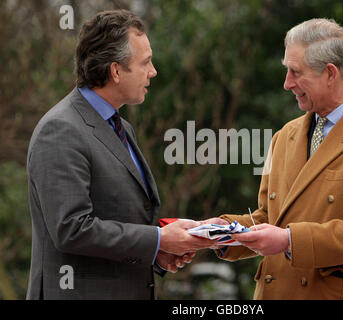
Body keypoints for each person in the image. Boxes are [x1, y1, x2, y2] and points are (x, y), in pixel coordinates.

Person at [211, 18, 343, 299]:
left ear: (331, 74)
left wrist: (288, 240)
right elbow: (268, 217)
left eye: (295, 72)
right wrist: (220, 231)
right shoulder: (284, 136)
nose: (286, 83)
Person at [26, 10, 215, 300]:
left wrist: (158, 251)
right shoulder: (60, 130)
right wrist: (158, 239)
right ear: (115, 71)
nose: (153, 71)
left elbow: (119, 216)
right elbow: (71, 229)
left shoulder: (121, 127)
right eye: (146, 62)